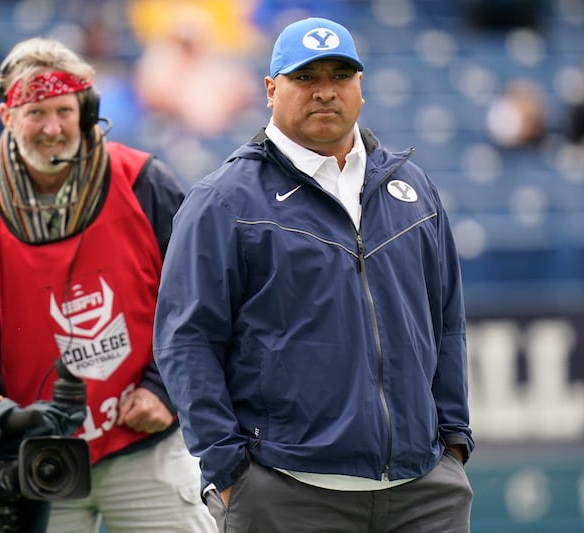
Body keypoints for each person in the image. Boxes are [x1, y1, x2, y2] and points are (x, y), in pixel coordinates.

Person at [153, 16, 475, 533]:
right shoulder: (224, 200)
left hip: (423, 494)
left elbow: (447, 320)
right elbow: (185, 341)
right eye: (305, 78)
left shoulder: (411, 187)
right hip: (286, 492)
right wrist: (229, 470)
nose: (325, 92)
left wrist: (453, 442)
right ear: (270, 88)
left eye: (340, 76)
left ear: (360, 88)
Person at [0, 37, 216, 533]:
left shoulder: (145, 182)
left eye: (64, 110)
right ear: (8, 116)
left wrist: (166, 390)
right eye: (36, 113)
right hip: (32, 456)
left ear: (87, 110)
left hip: (145, 448)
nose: (52, 128)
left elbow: (201, 300)